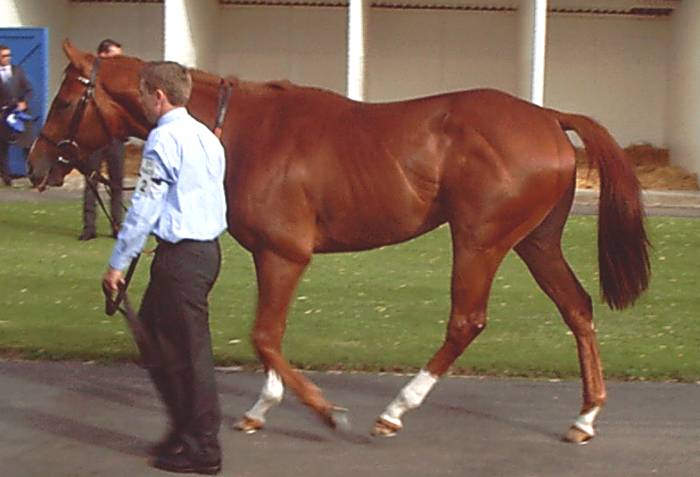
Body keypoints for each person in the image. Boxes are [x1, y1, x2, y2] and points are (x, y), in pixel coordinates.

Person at [102, 61, 227, 475]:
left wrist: (118, 263)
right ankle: (183, 430)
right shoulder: (206, 136)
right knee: (155, 341)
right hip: (204, 252)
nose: (140, 102)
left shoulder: (163, 139)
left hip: (182, 259)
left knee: (189, 354)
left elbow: (144, 205)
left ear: (158, 96)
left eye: (142, 94)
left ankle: (203, 448)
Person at [79, 39, 125, 240]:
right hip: (95, 138)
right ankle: (89, 227)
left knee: (117, 183)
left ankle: (117, 224)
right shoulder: (90, 79)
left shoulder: (119, 81)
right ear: (102, 55)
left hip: (115, 138)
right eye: (114, 57)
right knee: (91, 182)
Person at [0, 44, 33, 187]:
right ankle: (6, 177)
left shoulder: (18, 71)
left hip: (20, 114)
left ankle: (33, 175)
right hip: (3, 115)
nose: (7, 58)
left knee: (27, 145)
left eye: (9, 55)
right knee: (2, 147)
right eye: (4, 56)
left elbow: (29, 90)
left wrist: (24, 102)